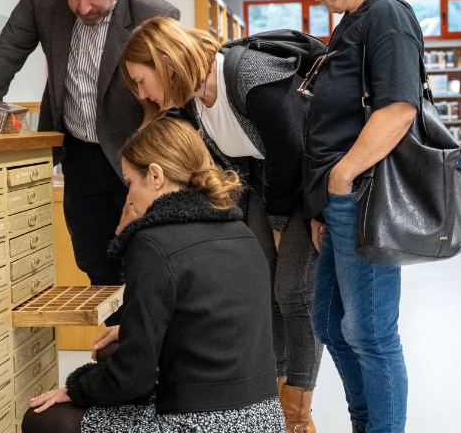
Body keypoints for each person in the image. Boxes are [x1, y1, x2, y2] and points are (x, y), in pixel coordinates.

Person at [120, 16, 323, 432]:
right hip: (270, 187)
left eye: (143, 81)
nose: (142, 94)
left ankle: (297, 420)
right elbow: (232, 170)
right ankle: (271, 406)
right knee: (264, 290)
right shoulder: (193, 106)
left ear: (166, 62)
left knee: (294, 295)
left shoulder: (245, 74)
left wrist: (282, 225)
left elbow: (292, 147)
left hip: (309, 182)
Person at [21, 118, 285, 433]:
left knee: (43, 420)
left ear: (156, 176)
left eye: (131, 181)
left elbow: (132, 380)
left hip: (202, 423)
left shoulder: (153, 242)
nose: (130, 194)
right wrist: (131, 330)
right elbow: (214, 322)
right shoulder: (241, 232)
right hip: (265, 419)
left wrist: (76, 389)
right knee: (111, 349)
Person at [0, 0, 180, 311]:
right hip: (78, 153)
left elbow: (171, 105)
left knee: (145, 261)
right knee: (94, 263)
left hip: (134, 157)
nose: (83, 8)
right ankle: (117, 356)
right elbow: (7, 48)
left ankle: (148, 361)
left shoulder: (154, 14)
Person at [289, 0, 421, 433]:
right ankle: (366, 423)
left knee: (370, 333)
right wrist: (322, 203)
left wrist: (342, 179)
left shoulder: (388, 15)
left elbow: (398, 108)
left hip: (361, 199)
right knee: (330, 322)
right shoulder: (353, 21)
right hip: (337, 205)